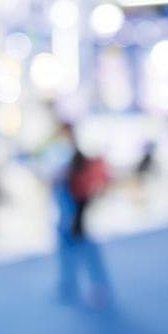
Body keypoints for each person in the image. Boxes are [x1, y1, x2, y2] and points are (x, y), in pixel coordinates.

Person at [53, 122, 112, 306]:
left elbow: (80, 185)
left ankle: (98, 285)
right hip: (70, 210)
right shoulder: (67, 155)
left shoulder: (76, 155)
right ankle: (72, 283)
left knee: (85, 249)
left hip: (75, 209)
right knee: (73, 249)